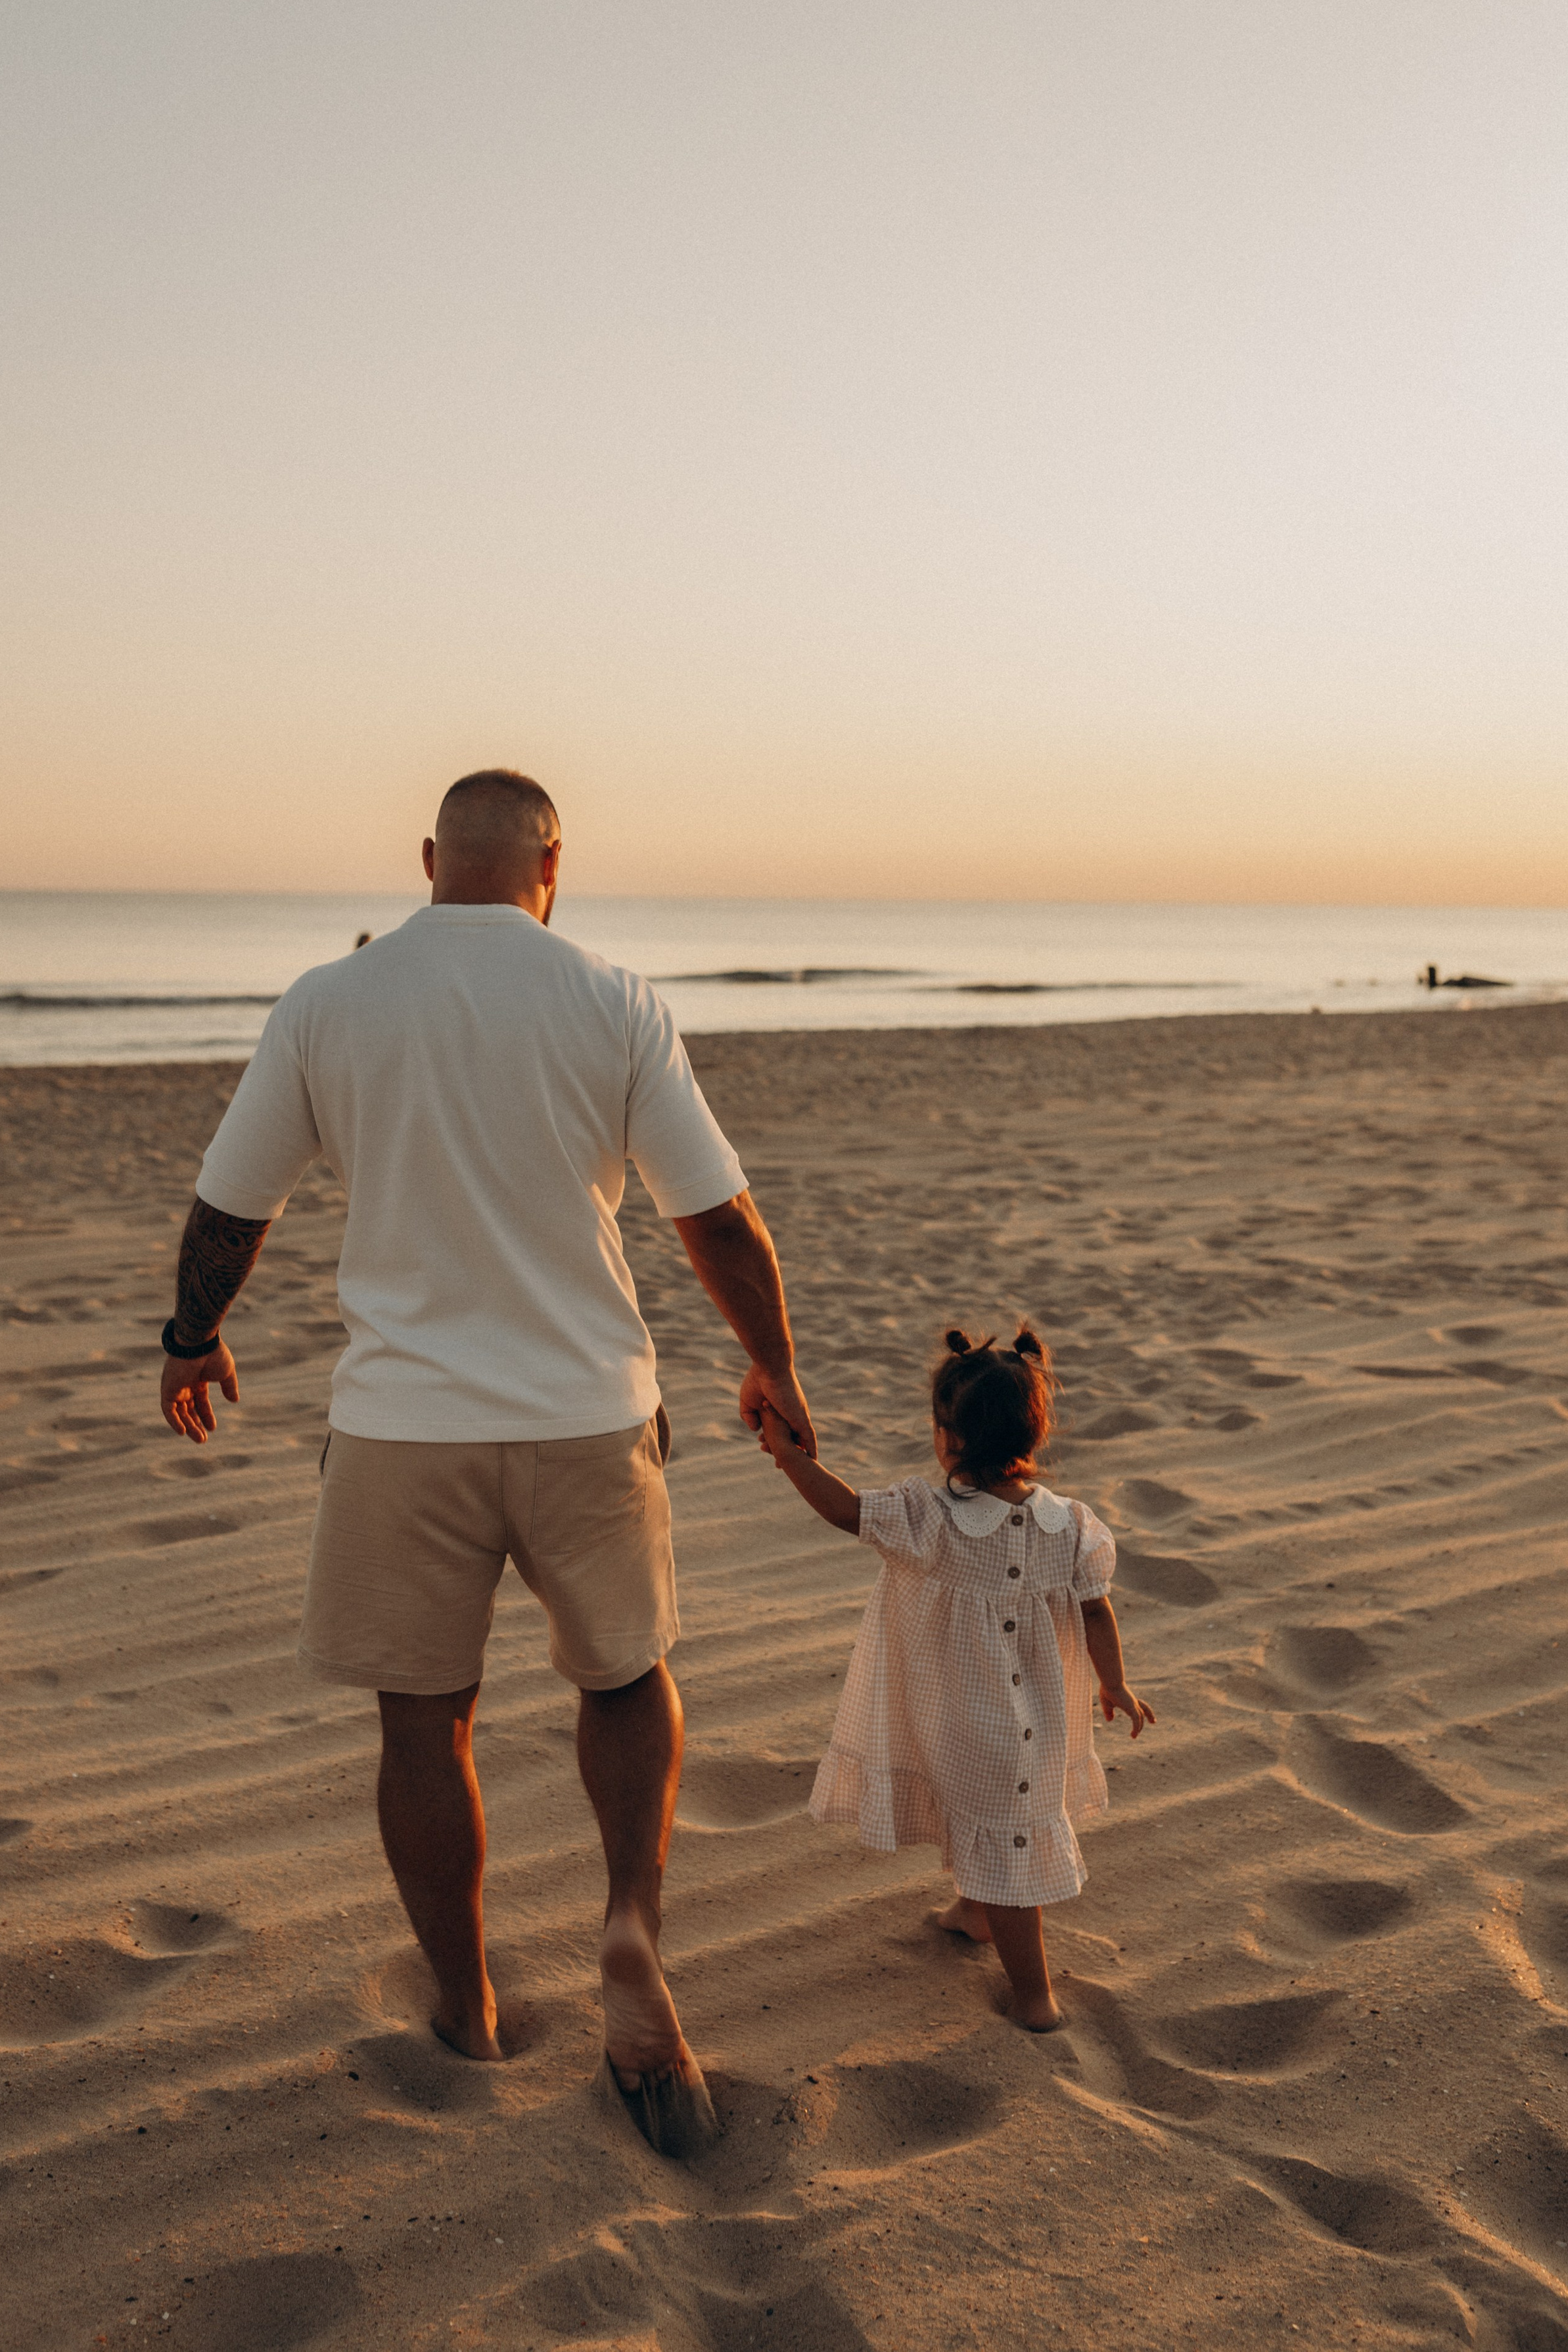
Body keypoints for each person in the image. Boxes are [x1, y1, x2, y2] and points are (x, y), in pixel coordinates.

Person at [156, 768, 816, 2157]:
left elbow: (231, 1206)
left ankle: (465, 2007)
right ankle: (628, 1928)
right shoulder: (614, 1000)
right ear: (552, 866)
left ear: (426, 859)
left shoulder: (328, 1003)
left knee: (422, 1724)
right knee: (625, 1680)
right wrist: (774, 1364)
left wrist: (191, 1337)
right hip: (587, 1415)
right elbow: (717, 1220)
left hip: (404, 1429)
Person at [756, 1322, 1153, 2030]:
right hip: (1039, 1723)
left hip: (963, 1722)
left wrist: (790, 1459)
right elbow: (1097, 1610)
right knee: (991, 1821)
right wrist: (1114, 1683)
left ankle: (1034, 1996)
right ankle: (975, 1912)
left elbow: (847, 1510)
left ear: (949, 1438)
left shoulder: (928, 1518)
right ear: (1035, 1433)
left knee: (1007, 1852)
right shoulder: (1073, 1526)